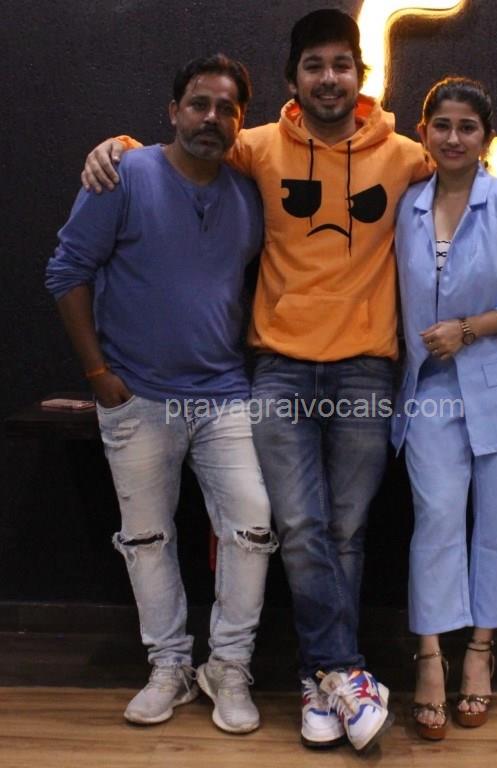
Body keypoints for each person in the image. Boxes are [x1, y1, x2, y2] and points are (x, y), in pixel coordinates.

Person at [78, 9, 497, 752]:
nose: (328, 77)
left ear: (359, 77)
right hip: (277, 366)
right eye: (314, 65)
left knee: (347, 529)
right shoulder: (258, 145)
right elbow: (187, 147)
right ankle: (335, 673)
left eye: (340, 65)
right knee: (297, 525)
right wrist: (119, 147)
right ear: (293, 79)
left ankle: (326, 675)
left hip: (367, 367)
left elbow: (470, 178)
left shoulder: (404, 155)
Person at [46, 54, 278, 733]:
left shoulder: (249, 195)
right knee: (146, 538)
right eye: (199, 104)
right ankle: (169, 667)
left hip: (224, 393)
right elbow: (66, 272)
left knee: (252, 525)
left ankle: (227, 667)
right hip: (137, 396)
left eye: (227, 109)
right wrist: (98, 375)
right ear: (173, 111)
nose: (212, 118)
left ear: (240, 122)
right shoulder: (123, 174)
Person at [393, 76, 497, 740]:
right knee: (435, 519)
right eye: (442, 125)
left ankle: (481, 651)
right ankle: (429, 655)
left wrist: (469, 328)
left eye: (468, 127)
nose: (454, 137)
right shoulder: (405, 205)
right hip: (430, 391)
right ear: (423, 132)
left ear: (486, 137)